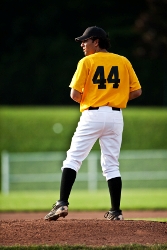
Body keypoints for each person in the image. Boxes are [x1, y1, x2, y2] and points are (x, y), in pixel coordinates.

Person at [44, 26, 142, 221]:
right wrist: (116, 98)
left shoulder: (87, 61)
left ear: (96, 41)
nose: (82, 44)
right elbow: (137, 91)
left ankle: (62, 203)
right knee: (112, 164)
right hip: (115, 116)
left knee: (73, 159)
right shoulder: (123, 61)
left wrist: (94, 99)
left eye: (85, 40)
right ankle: (115, 212)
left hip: (92, 114)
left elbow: (74, 94)